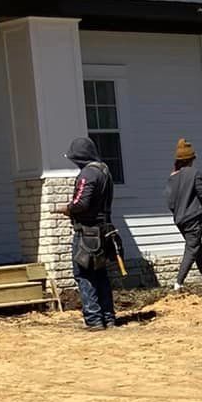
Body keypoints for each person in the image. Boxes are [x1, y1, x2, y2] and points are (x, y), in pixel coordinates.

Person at [66, 135, 122, 330]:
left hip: (87, 234)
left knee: (83, 274)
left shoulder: (87, 175)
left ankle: (94, 319)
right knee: (100, 274)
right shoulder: (104, 171)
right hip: (104, 230)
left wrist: (68, 208)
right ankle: (109, 317)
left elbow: (82, 202)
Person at [165, 138, 202, 290]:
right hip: (194, 219)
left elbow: (170, 202)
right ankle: (178, 284)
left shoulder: (172, 177)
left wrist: (179, 212)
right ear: (191, 159)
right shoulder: (195, 174)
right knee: (191, 249)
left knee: (197, 247)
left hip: (180, 220)